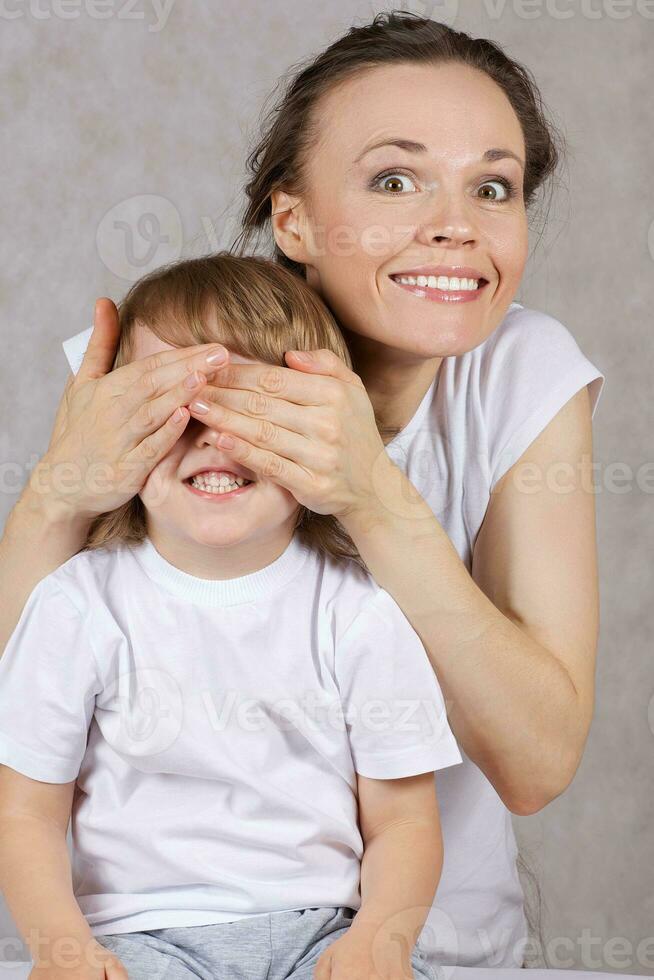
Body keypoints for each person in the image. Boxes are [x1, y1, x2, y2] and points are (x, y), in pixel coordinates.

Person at [0, 11, 605, 971]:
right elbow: (25, 700)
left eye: (494, 185)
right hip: (142, 944)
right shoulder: (170, 350)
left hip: (416, 949)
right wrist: (56, 492)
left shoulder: (522, 371)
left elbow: (535, 766)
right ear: (293, 220)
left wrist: (369, 491)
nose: (455, 222)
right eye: (395, 179)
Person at [0, 253, 463, 980]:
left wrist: (380, 939)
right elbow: (25, 813)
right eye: (173, 401)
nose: (213, 429)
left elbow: (404, 820)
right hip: (140, 938)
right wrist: (64, 949)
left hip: (325, 935)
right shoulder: (75, 606)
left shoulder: (360, 612)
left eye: (255, 402)